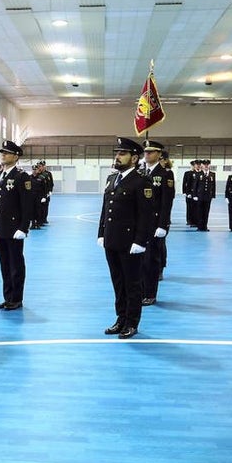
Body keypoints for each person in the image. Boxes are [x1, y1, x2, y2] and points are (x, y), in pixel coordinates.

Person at [99, 137, 156, 339]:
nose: (117, 156)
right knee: (118, 283)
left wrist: (140, 241)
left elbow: (146, 215)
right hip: (112, 240)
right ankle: (120, 318)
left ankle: (132, 323)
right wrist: (101, 233)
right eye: (117, 153)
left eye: (122, 153)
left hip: (130, 243)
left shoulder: (141, 182)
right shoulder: (112, 179)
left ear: (134, 158)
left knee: (132, 284)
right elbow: (105, 209)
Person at [0, 140, 34, 310]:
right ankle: (7, 297)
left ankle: (16, 298)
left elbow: (27, 204)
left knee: (16, 265)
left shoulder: (21, 177)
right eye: (2, 152)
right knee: (4, 264)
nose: (3, 155)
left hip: (14, 229)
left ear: (16, 157)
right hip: (0, 228)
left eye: (7, 153)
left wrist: (23, 227)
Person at [140, 140, 174, 304]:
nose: (147, 154)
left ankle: (150, 294)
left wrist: (162, 224)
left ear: (159, 154)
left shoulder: (165, 174)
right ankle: (141, 290)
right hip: (139, 224)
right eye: (145, 151)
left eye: (151, 151)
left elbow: (166, 202)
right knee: (139, 260)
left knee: (151, 260)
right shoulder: (140, 172)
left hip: (154, 224)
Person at [194, 159, 216, 231]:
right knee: (199, 212)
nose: (206, 166)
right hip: (200, 196)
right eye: (204, 164)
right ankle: (199, 227)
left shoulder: (212, 174)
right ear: (202, 166)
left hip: (208, 196)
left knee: (206, 212)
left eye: (207, 164)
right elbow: (195, 185)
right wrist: (195, 195)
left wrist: (213, 195)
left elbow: (213, 185)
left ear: (209, 165)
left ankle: (205, 226)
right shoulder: (198, 174)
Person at [182, 159, 198, 227]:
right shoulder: (187, 173)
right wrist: (185, 192)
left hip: (195, 194)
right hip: (189, 193)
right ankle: (189, 220)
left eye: (196, 165)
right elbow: (184, 183)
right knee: (189, 207)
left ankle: (195, 220)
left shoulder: (198, 173)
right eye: (194, 165)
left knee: (195, 208)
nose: (195, 166)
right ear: (191, 165)